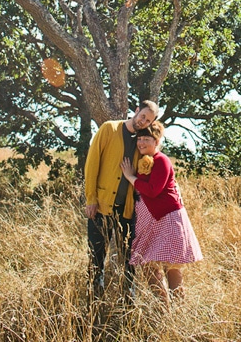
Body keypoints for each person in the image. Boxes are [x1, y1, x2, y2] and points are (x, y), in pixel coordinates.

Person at [119, 120, 203, 304]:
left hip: (167, 219)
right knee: (148, 265)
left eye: (147, 139)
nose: (141, 142)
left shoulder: (161, 160)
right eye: (140, 138)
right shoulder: (143, 161)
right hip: (151, 222)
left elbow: (152, 190)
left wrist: (130, 176)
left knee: (172, 267)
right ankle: (162, 310)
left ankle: (178, 311)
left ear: (156, 141)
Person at [84, 100, 159, 299]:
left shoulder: (141, 142)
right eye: (142, 116)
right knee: (96, 258)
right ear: (136, 111)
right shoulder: (109, 128)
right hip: (100, 206)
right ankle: (94, 304)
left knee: (129, 261)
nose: (143, 121)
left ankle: (128, 305)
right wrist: (91, 198)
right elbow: (92, 164)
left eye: (148, 120)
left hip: (126, 211)